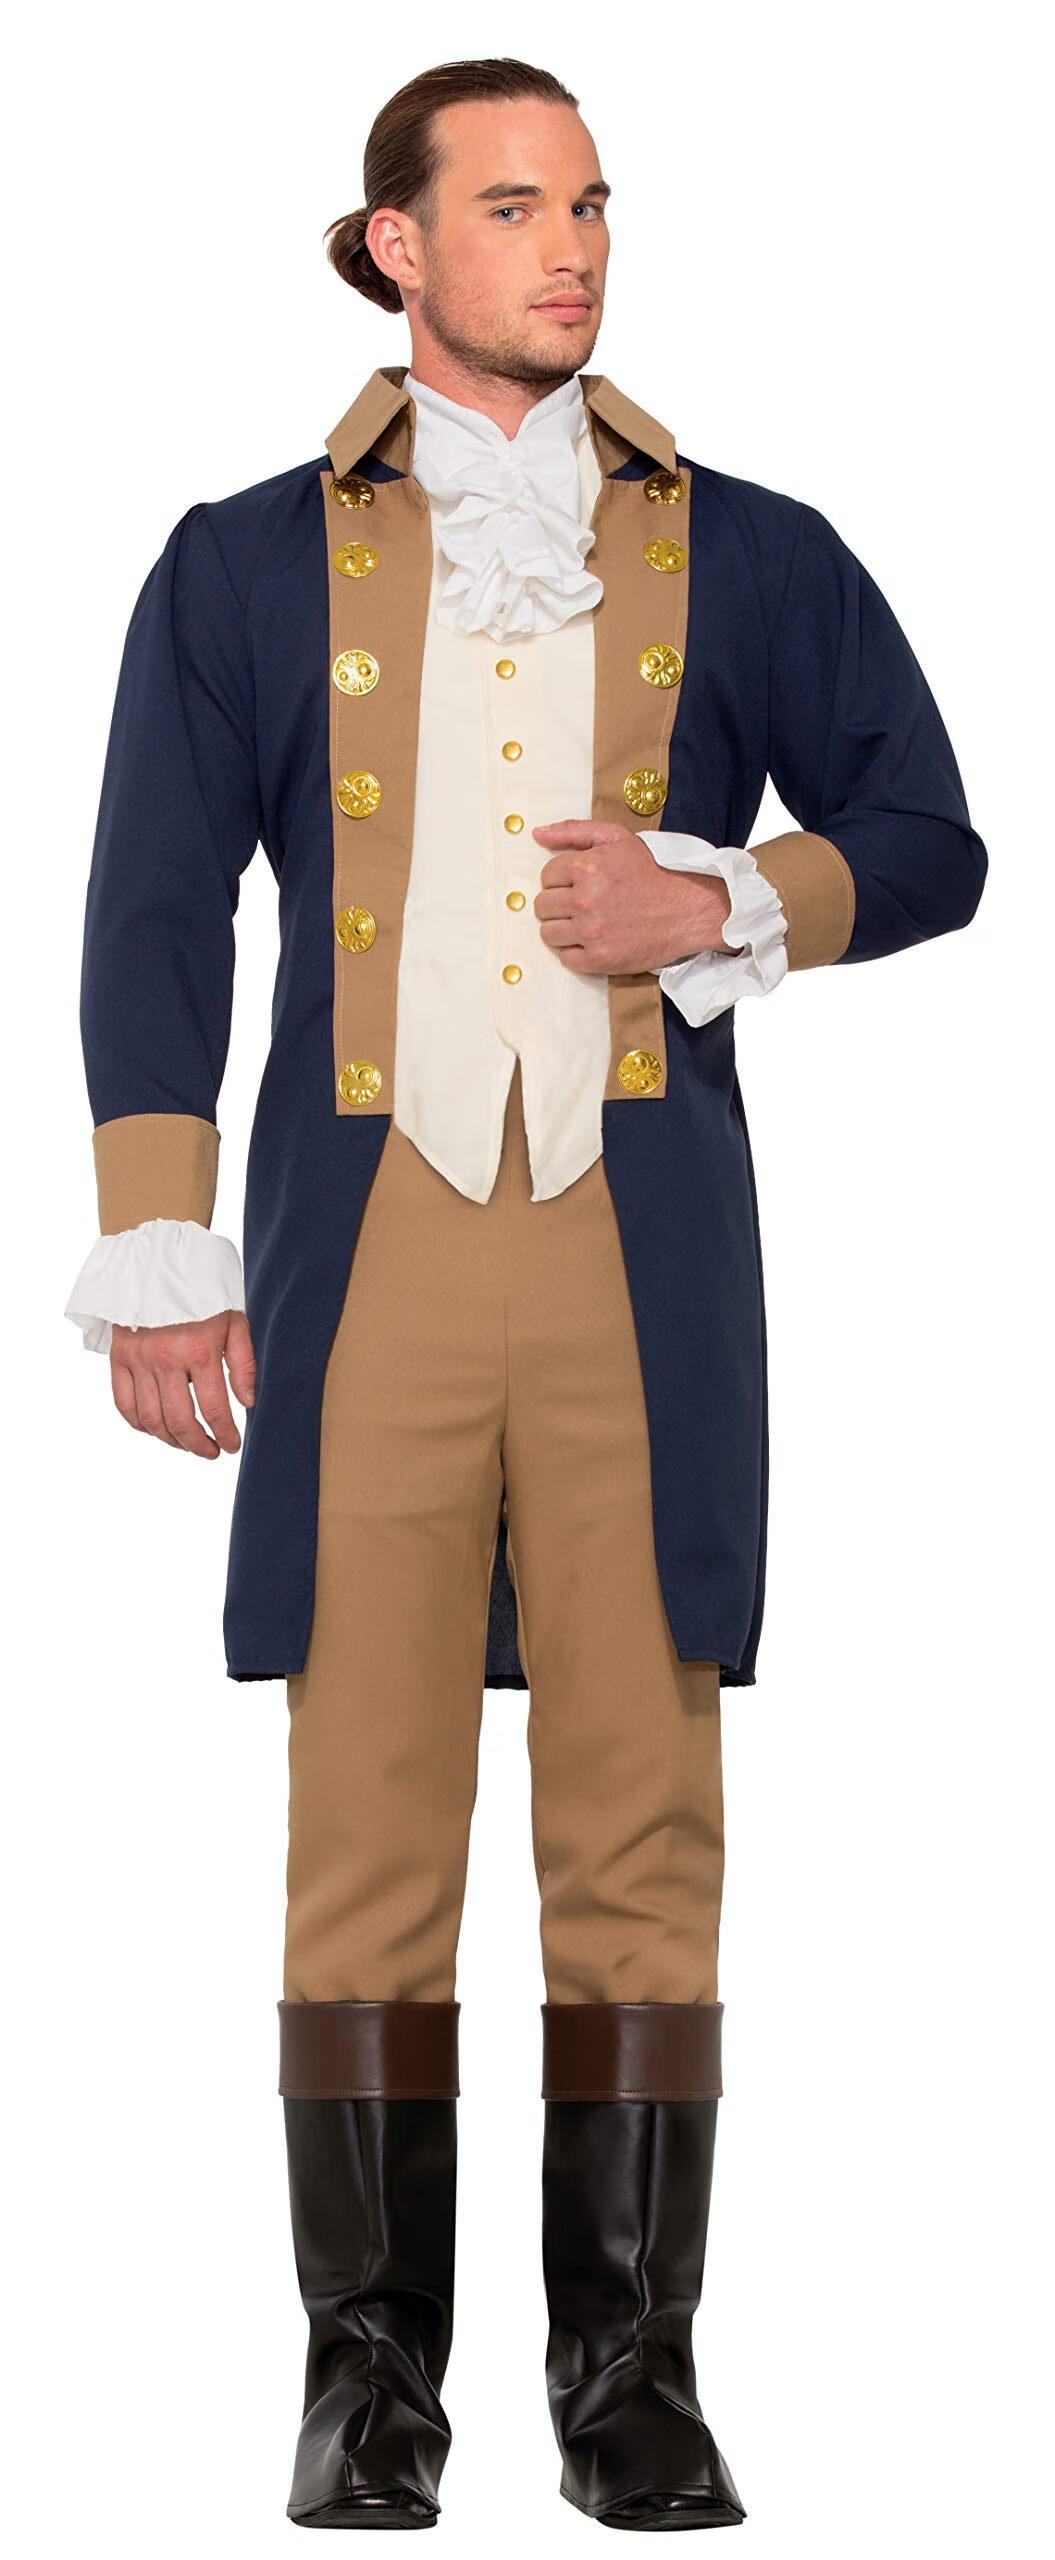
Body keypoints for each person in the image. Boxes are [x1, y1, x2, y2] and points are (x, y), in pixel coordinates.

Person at [65, 54, 987, 2534]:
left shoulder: (751, 547)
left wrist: (721, 901)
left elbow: (930, 834)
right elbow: (152, 910)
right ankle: (364, 2382)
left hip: (635, 1245)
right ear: (396, 244)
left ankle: (634, 2376)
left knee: (644, 1810)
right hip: (360, 1248)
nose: (570, 246)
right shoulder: (238, 564)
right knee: (362, 1813)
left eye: (590, 204)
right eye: (510, 206)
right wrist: (163, 1248)